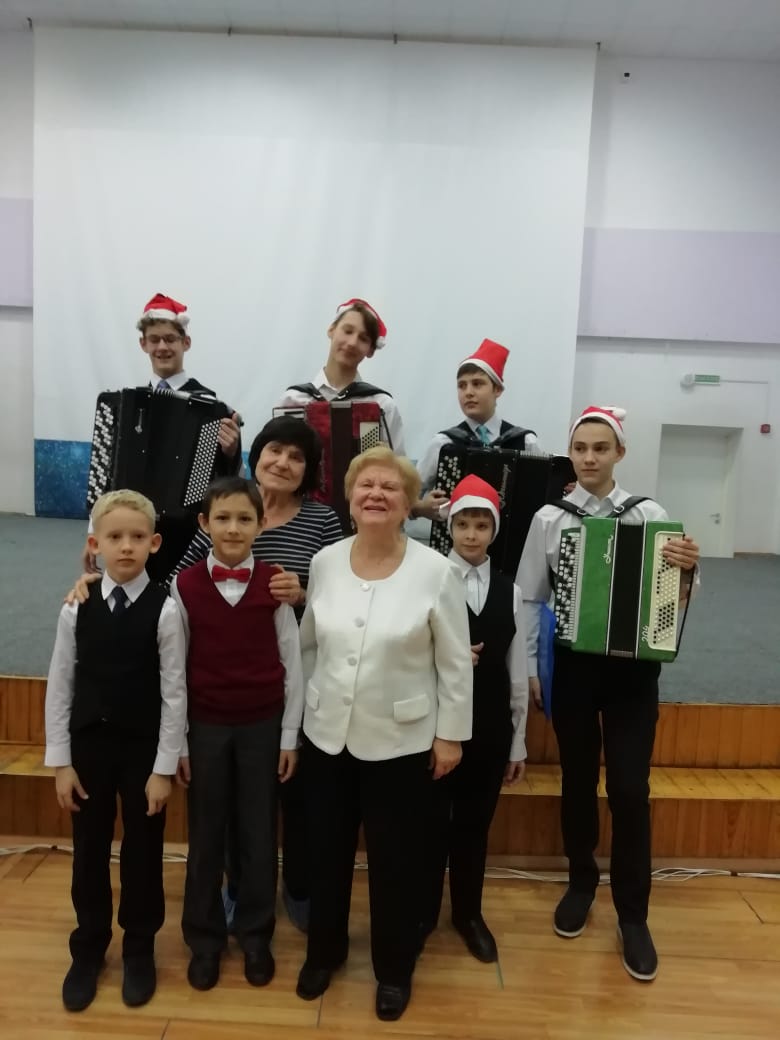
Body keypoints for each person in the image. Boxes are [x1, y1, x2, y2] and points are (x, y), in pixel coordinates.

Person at [517, 406, 700, 983]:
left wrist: (687, 572)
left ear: (620, 453)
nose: (589, 458)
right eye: (580, 448)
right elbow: (529, 597)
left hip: (632, 673)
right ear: (570, 454)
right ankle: (580, 882)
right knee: (576, 778)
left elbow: (673, 596)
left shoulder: (649, 514)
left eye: (600, 448)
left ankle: (633, 915)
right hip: (572, 667)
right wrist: (531, 668)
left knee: (628, 788)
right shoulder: (551, 517)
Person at [295, 446, 472, 1022]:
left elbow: (454, 662)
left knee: (397, 863)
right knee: (325, 853)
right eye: (365, 485)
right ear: (349, 498)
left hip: (402, 743)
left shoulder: (436, 571)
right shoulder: (325, 561)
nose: (375, 494)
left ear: (407, 503)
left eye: (390, 488)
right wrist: (300, 718)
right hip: (327, 736)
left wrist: (450, 736)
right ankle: (324, 952)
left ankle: (394, 968)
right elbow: (308, 645)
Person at [171, 416, 343, 931]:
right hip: (224, 683)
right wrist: (98, 578)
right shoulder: (227, 506)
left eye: (297, 457)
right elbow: (179, 585)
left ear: (309, 469)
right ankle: (236, 886)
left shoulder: (323, 521)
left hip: (297, 674)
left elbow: (343, 594)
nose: (283, 463)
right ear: (257, 454)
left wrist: (304, 593)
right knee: (227, 801)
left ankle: (294, 885)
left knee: (288, 794)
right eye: (275, 451)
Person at [45, 490, 187, 1012]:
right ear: (95, 545)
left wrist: (163, 768)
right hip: (89, 750)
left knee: (143, 851)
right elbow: (60, 685)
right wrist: (61, 762)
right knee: (88, 850)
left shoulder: (166, 610)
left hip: (143, 751)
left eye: (136, 537)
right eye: (114, 537)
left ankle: (139, 948)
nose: (125, 546)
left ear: (154, 543)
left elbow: (175, 692)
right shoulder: (76, 607)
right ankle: (88, 948)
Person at [170, 476, 304, 992]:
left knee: (258, 833)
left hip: (261, 726)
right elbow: (174, 669)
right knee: (205, 835)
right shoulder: (184, 587)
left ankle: (255, 936)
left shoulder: (274, 585)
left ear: (261, 523)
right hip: (204, 725)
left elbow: (292, 662)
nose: (233, 528)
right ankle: (204, 939)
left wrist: (288, 736)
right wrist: (180, 741)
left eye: (244, 518)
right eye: (222, 518)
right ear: (205, 524)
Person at [422, 475, 529, 963]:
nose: (470, 534)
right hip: (433, 727)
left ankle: (467, 913)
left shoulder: (511, 591)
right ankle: (422, 912)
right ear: (450, 527)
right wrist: (445, 654)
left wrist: (518, 740)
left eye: (481, 525)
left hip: (488, 726)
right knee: (428, 825)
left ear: (494, 530)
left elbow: (516, 672)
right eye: (462, 524)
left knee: (473, 825)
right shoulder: (426, 579)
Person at [81, 293, 243, 583]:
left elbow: (229, 481)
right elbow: (108, 478)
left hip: (187, 531)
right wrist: (95, 531)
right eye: (154, 340)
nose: (162, 347)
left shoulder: (211, 407)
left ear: (186, 343)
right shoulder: (124, 406)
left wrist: (231, 452)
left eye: (170, 339)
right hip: (133, 529)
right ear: (143, 344)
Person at [413, 339, 543, 520]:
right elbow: (406, 497)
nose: (468, 392)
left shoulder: (526, 442)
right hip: (454, 537)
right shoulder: (443, 443)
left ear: (497, 389)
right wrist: (420, 508)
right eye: (462, 385)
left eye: (477, 384)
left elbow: (542, 499)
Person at [275, 298, 405, 452]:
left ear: (370, 350)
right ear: (331, 330)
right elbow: (277, 456)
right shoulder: (293, 400)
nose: (352, 343)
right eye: (348, 331)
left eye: (363, 339)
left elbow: (395, 465)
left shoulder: (380, 405)